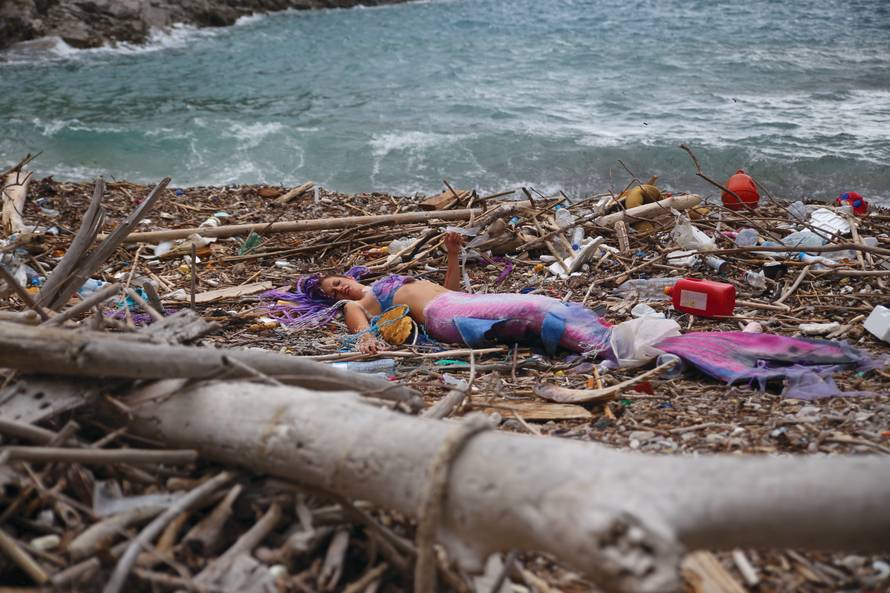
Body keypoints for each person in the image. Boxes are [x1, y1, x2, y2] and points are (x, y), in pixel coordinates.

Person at [271, 232, 613, 356]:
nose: (339, 288)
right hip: (442, 315)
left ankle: (600, 340)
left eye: (337, 281)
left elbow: (450, 290)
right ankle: (605, 345)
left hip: (453, 303)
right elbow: (361, 329)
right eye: (333, 292)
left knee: (541, 309)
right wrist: (366, 341)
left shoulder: (380, 282)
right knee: (533, 308)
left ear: (347, 274)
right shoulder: (355, 304)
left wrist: (451, 254)